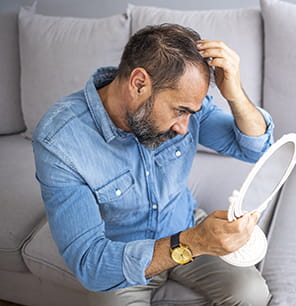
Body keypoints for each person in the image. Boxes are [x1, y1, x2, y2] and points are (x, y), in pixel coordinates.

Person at [32, 23, 274, 305]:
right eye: (180, 110)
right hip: (121, 253)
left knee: (253, 295)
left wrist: (235, 95)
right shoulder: (60, 142)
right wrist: (192, 242)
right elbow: (91, 264)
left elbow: (256, 149)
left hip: (183, 222)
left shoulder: (185, 104)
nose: (185, 128)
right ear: (138, 84)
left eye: (190, 112)